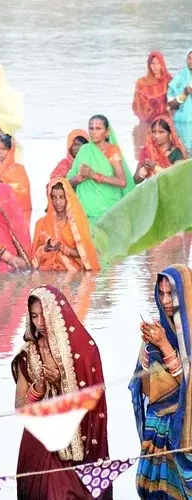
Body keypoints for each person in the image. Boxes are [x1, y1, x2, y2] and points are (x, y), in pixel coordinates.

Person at [12, 285, 110, 499]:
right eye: (34, 316)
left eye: (44, 315)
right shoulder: (28, 355)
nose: (40, 323)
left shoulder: (85, 352)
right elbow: (20, 408)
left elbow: (96, 402)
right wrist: (38, 390)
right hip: (39, 446)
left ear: (58, 314)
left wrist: (61, 383)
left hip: (79, 446)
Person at [130, 264, 192, 497]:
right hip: (158, 427)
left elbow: (189, 386)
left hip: (185, 430)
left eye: (172, 294)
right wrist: (148, 351)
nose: (165, 300)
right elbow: (144, 387)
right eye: (161, 293)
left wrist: (165, 345)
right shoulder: (158, 329)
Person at [67, 115, 135, 222]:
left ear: (107, 132)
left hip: (108, 211)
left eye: (98, 128)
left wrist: (93, 175)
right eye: (91, 128)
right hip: (85, 212)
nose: (93, 132)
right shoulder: (84, 150)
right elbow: (69, 182)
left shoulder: (112, 150)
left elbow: (122, 182)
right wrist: (80, 177)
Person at [32, 178, 100, 271]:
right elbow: (33, 260)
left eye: (61, 197)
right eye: (54, 197)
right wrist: (46, 248)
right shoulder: (41, 223)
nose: (58, 202)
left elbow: (85, 254)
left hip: (72, 272)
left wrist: (61, 248)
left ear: (67, 198)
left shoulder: (76, 224)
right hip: (48, 270)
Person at [134, 115, 188, 184]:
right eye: (154, 131)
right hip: (152, 192)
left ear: (170, 133)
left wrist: (155, 168)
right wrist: (144, 169)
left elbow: (177, 178)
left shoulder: (176, 153)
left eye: (161, 132)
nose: (156, 136)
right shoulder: (146, 151)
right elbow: (135, 180)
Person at [133, 51, 173, 124]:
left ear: (162, 64)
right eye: (153, 63)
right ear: (149, 65)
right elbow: (137, 105)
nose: (155, 66)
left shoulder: (168, 80)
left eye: (158, 63)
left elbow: (174, 101)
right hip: (148, 120)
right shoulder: (142, 83)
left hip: (165, 122)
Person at [167, 49, 192, 152]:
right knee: (183, 153)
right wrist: (184, 94)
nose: (191, 61)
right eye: (189, 58)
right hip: (181, 124)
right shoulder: (179, 79)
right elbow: (170, 105)